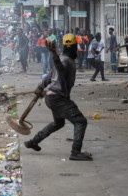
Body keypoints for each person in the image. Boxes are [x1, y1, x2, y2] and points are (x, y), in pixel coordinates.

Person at [23, 33, 92, 161]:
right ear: (74, 48)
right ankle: (75, 151)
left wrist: (40, 86)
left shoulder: (62, 58)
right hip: (58, 98)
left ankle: (34, 141)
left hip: (52, 97)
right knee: (80, 121)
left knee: (58, 123)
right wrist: (54, 54)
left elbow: (49, 76)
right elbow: (61, 69)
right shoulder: (65, 61)